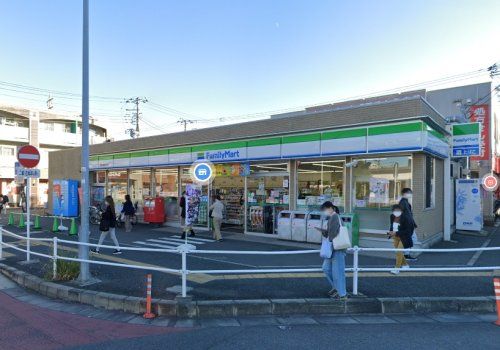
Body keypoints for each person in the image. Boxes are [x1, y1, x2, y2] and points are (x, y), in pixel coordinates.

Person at [316, 201, 348, 300]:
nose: (324, 212)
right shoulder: (333, 217)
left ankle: (342, 294)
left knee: (338, 272)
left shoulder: (334, 217)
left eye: (325, 209)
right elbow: (332, 233)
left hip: (337, 248)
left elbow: (332, 234)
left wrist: (325, 233)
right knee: (326, 268)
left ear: (330, 208)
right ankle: (336, 288)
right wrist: (325, 232)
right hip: (333, 248)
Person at [388, 204, 410, 274]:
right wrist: (390, 232)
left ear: (401, 211)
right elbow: (392, 225)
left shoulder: (406, 218)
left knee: (398, 252)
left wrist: (396, 233)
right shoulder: (392, 216)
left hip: (403, 237)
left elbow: (407, 230)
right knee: (398, 252)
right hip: (395, 237)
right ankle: (405, 265)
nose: (396, 212)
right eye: (394, 210)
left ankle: (397, 268)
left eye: (398, 210)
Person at [399, 188, 417, 261]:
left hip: (409, 224)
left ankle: (406, 254)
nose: (410, 194)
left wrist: (413, 223)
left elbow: (409, 214)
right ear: (404, 193)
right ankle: (406, 255)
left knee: (412, 239)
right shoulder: (403, 202)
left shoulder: (406, 202)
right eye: (409, 193)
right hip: (406, 225)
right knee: (410, 239)